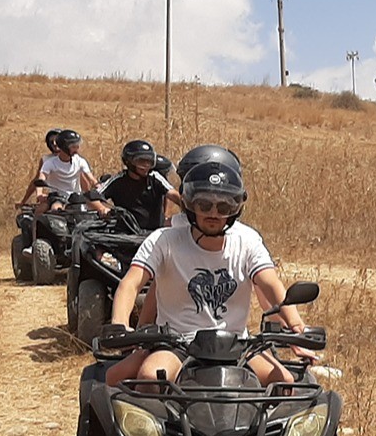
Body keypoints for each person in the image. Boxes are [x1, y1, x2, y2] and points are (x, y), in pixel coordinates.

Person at [104, 157, 314, 387]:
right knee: (151, 377)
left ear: (235, 208)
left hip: (236, 345)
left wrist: (296, 327)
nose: (213, 213)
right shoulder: (163, 240)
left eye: (223, 206)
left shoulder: (248, 241)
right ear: (189, 203)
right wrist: (121, 324)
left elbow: (270, 284)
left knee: (284, 383)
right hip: (177, 344)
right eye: (204, 205)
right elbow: (131, 283)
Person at [99, 139, 183, 230]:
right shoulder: (118, 180)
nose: (146, 165)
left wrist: (188, 210)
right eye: (141, 162)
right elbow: (92, 197)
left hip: (154, 234)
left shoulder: (154, 177)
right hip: (126, 234)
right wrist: (102, 208)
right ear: (128, 162)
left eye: (149, 161)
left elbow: (173, 194)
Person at [27, 129, 108, 216]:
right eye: (73, 146)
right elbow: (41, 178)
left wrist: (98, 185)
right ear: (64, 146)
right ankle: (35, 228)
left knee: (103, 208)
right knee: (55, 209)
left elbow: (91, 179)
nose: (77, 149)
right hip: (57, 197)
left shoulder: (80, 161)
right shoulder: (50, 163)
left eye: (77, 146)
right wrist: (39, 193)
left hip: (77, 197)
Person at [14, 128, 64, 208]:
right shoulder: (46, 160)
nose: (54, 144)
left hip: (75, 199)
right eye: (51, 142)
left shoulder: (75, 159)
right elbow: (38, 180)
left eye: (57, 141)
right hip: (56, 198)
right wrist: (24, 201)